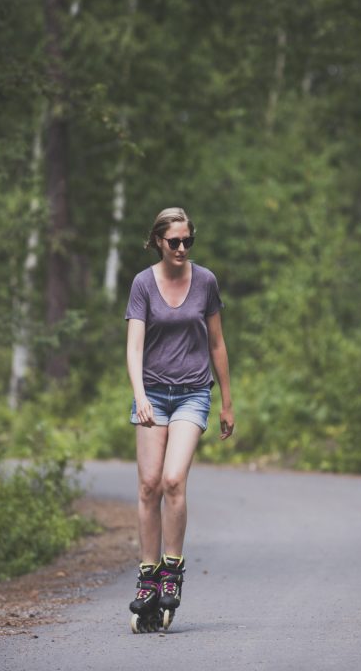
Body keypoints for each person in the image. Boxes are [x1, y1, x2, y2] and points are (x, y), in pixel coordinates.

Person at [124, 207, 235, 632]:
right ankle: (147, 576)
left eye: (188, 240)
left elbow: (218, 344)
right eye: (174, 242)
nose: (183, 248)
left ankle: (172, 568)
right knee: (148, 484)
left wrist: (226, 401)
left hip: (192, 393)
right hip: (151, 392)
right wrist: (139, 396)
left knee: (173, 480)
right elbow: (134, 347)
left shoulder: (205, 280)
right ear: (157, 241)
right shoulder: (142, 284)